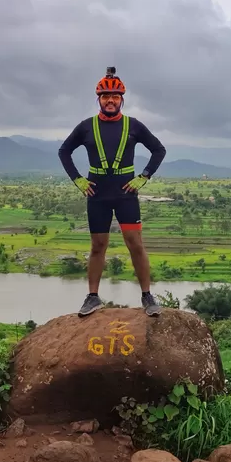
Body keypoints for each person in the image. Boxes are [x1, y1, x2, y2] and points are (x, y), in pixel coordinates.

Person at [58, 67, 167, 317]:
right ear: (99, 99)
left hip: (126, 193)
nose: (110, 100)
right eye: (105, 96)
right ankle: (93, 297)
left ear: (122, 100)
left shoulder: (134, 125)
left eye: (115, 97)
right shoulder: (86, 127)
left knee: (135, 244)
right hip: (97, 194)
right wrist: (77, 179)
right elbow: (64, 151)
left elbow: (158, 149)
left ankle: (147, 297)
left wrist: (144, 176)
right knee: (98, 245)